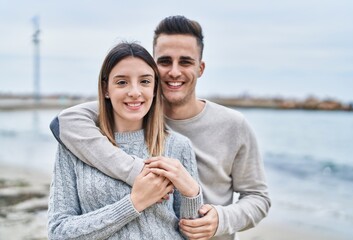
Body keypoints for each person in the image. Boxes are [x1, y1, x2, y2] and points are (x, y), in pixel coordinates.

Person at [50, 16, 271, 240]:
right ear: (153, 67)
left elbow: (258, 198)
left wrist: (220, 219)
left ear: (200, 68)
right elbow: (66, 121)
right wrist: (138, 176)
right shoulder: (129, 107)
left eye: (185, 62)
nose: (174, 72)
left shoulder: (231, 126)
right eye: (165, 61)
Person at [47, 42, 203, 240]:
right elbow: (58, 233)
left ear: (155, 87)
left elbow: (194, 235)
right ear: (106, 89)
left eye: (145, 82)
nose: (135, 92)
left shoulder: (178, 146)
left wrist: (192, 192)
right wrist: (133, 203)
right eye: (122, 82)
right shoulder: (74, 147)